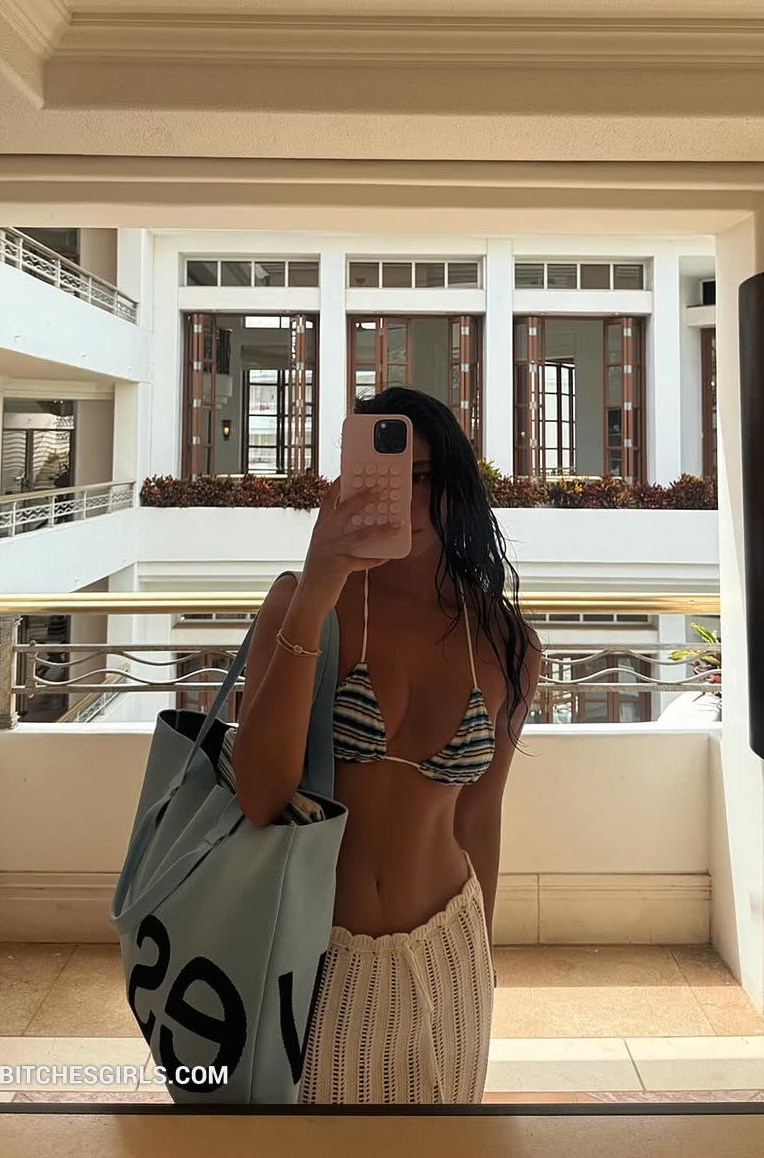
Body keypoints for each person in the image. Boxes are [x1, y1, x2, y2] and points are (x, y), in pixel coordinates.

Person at [233, 387, 542, 1104]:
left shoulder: (506, 640)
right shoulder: (301, 604)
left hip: (452, 954)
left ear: (457, 485)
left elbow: (479, 816)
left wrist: (485, 952)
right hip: (315, 954)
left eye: (424, 476)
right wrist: (316, 591)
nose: (404, 496)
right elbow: (259, 796)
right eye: (385, 475)